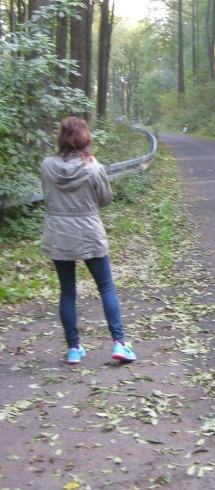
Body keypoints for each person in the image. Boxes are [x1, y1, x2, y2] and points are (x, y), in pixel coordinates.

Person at [40, 117, 137, 365]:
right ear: (85, 138)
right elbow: (105, 199)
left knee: (67, 292)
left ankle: (74, 349)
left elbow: (47, 196)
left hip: (58, 233)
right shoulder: (93, 167)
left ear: (61, 137)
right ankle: (119, 343)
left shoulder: (47, 166)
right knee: (106, 287)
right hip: (88, 232)